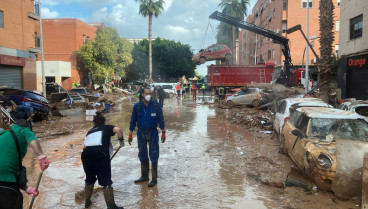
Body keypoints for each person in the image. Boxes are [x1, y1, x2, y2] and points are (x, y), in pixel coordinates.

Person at [0, 119, 50, 209]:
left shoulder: (3, 134)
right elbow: (33, 140)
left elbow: (10, 164)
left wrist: (26, 188)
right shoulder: (23, 130)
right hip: (6, 182)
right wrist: (41, 156)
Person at [81, 112, 125, 209]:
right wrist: (121, 141)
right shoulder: (106, 127)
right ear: (103, 122)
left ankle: (87, 202)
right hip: (100, 155)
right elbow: (118, 130)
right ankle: (111, 206)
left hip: (85, 156)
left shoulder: (90, 131)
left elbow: (85, 146)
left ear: (94, 123)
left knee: (89, 179)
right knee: (106, 181)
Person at [128, 87, 166, 187]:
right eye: (146, 93)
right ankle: (144, 176)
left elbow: (161, 119)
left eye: (150, 93)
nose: (148, 95)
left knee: (154, 154)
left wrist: (163, 132)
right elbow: (133, 120)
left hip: (153, 132)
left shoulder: (156, 106)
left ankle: (154, 179)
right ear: (143, 95)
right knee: (142, 154)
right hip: (140, 133)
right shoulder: (137, 106)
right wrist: (130, 133)